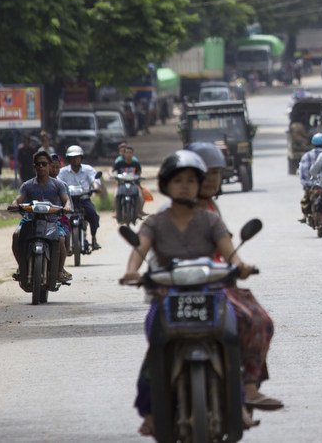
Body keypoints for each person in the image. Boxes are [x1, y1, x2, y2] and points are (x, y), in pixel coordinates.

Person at [120, 150, 280, 436]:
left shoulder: (210, 220)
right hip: (167, 296)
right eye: (178, 180)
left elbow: (230, 254)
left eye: (192, 180)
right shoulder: (154, 223)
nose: (185, 185)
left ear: (199, 184)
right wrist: (132, 271)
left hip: (211, 292)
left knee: (232, 334)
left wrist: (241, 266)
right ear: (166, 185)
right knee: (157, 346)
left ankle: (241, 394)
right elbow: (139, 251)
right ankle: (155, 411)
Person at [9, 149, 71, 284]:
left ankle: (59, 271)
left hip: (53, 221)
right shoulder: (27, 185)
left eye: (44, 164)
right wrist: (14, 204)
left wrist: (67, 206)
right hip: (30, 220)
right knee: (16, 235)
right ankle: (22, 267)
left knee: (60, 239)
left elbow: (66, 199)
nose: (41, 167)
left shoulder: (58, 184)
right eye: (38, 164)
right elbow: (18, 199)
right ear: (34, 167)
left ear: (49, 165)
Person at [57, 145, 104, 250]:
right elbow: (58, 183)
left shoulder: (88, 169)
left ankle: (94, 238)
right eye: (72, 157)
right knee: (59, 218)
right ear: (68, 159)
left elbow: (94, 180)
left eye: (77, 157)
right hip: (68, 201)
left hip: (84, 199)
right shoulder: (63, 171)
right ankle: (62, 242)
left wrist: (96, 187)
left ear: (81, 158)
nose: (75, 159)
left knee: (93, 214)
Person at [298, 133, 322, 223]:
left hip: (311, 186)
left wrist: (305, 184)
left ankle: (305, 215)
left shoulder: (307, 156)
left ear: (313, 143)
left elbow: (303, 172)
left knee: (305, 201)